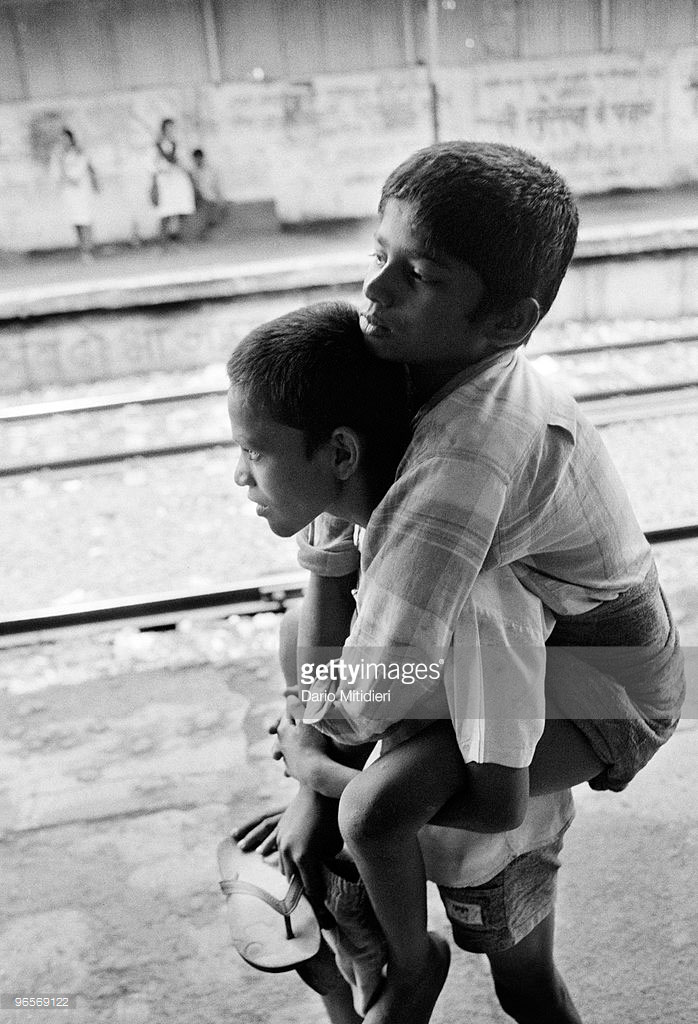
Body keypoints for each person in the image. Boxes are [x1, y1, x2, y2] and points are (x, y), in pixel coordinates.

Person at [236, 141, 685, 1024]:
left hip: (606, 685)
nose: (375, 294)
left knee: (375, 803)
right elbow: (340, 530)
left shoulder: (459, 468)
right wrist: (313, 749)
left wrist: (311, 761)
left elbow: (365, 687)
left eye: (422, 275)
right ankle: (389, 942)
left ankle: (411, 971)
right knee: (308, 652)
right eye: (380, 258)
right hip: (536, 643)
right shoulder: (427, 364)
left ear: (507, 320)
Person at [227, 300, 579, 1024]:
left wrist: (315, 774)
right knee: (366, 969)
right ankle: (396, 971)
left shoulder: (474, 606)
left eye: (254, 451)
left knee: (525, 986)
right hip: (378, 849)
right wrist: (309, 792)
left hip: (491, 841)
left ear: (342, 456)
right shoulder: (319, 606)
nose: (240, 475)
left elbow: (489, 795)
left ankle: (410, 972)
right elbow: (321, 706)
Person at [50, 127, 100, 261]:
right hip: (68, 193)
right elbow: (55, 175)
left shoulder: (79, 153)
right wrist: (62, 167)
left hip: (81, 192)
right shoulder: (58, 155)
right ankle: (82, 249)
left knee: (85, 220)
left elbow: (77, 174)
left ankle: (88, 250)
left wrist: (65, 172)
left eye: (65, 138)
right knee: (75, 222)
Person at [151, 118, 195, 248]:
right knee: (165, 211)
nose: (171, 131)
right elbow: (153, 165)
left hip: (178, 181)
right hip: (165, 182)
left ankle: (176, 239)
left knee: (180, 210)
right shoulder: (157, 147)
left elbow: (186, 163)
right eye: (169, 128)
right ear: (164, 129)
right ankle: (163, 243)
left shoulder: (179, 145)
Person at [190, 147, 223, 237]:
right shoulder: (193, 172)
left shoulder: (210, 170)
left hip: (209, 197)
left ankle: (206, 232)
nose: (197, 161)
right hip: (200, 198)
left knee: (211, 212)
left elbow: (215, 185)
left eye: (198, 158)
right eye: (196, 159)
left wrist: (219, 197)